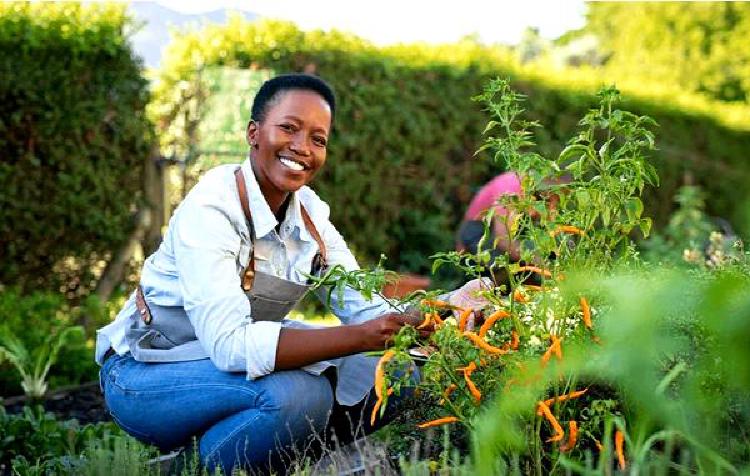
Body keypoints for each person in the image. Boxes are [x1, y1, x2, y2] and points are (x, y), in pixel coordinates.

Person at [96, 74, 431, 474]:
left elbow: (365, 307)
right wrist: (360, 338)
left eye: (318, 139)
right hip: (148, 373)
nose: (302, 147)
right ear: (254, 133)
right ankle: (193, 470)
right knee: (298, 397)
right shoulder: (211, 209)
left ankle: (264, 460)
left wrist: (438, 314)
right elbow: (230, 345)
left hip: (226, 373)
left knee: (400, 376)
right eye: (289, 128)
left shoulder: (310, 215)